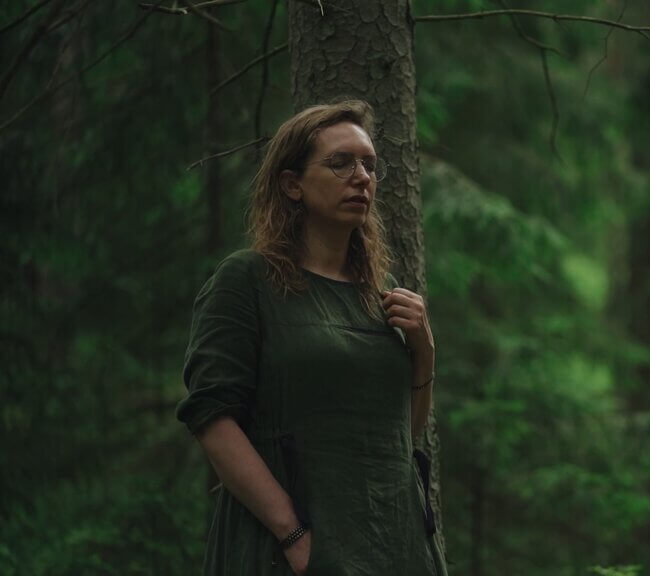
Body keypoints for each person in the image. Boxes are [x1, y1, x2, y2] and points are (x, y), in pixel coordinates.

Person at [175, 100, 447, 575]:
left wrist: (423, 356)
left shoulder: (380, 295)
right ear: (292, 184)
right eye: (341, 163)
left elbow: (398, 435)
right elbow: (212, 420)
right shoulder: (247, 280)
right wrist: (293, 534)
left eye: (369, 165)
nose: (361, 177)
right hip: (288, 550)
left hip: (393, 546)